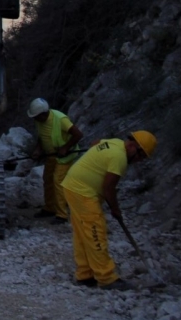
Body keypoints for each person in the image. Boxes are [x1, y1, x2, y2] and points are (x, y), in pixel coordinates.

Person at [61, 131, 157, 289]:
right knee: (95, 231)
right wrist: (115, 209)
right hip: (83, 191)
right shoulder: (119, 158)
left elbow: (96, 142)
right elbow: (108, 188)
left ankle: (85, 274)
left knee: (82, 233)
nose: (139, 161)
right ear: (134, 147)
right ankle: (106, 277)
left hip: (73, 186)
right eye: (141, 156)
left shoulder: (115, 143)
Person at [26, 98, 84, 222]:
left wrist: (65, 147)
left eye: (36, 116)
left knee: (58, 181)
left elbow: (78, 134)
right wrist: (38, 150)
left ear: (43, 114)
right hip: (51, 156)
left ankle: (62, 214)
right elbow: (42, 137)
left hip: (65, 157)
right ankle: (49, 208)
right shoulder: (39, 121)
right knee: (47, 179)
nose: (34, 119)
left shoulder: (60, 119)